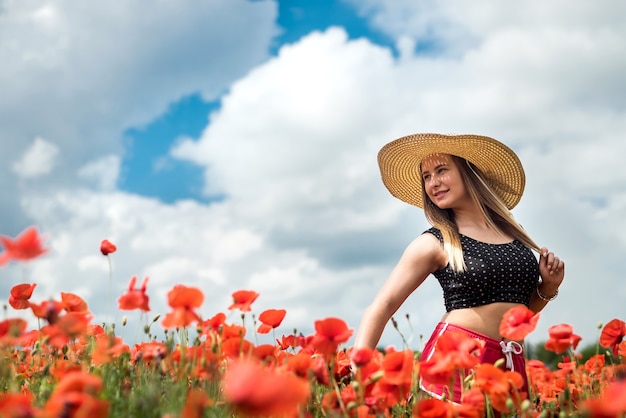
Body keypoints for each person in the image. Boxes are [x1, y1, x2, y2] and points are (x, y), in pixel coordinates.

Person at [353, 133, 565, 403]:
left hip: (510, 365)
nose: (433, 183)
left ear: (469, 173)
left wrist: (547, 287)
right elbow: (382, 305)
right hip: (453, 367)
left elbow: (520, 315)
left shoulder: (515, 235)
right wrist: (359, 374)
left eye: (441, 171)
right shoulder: (434, 242)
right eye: (426, 176)